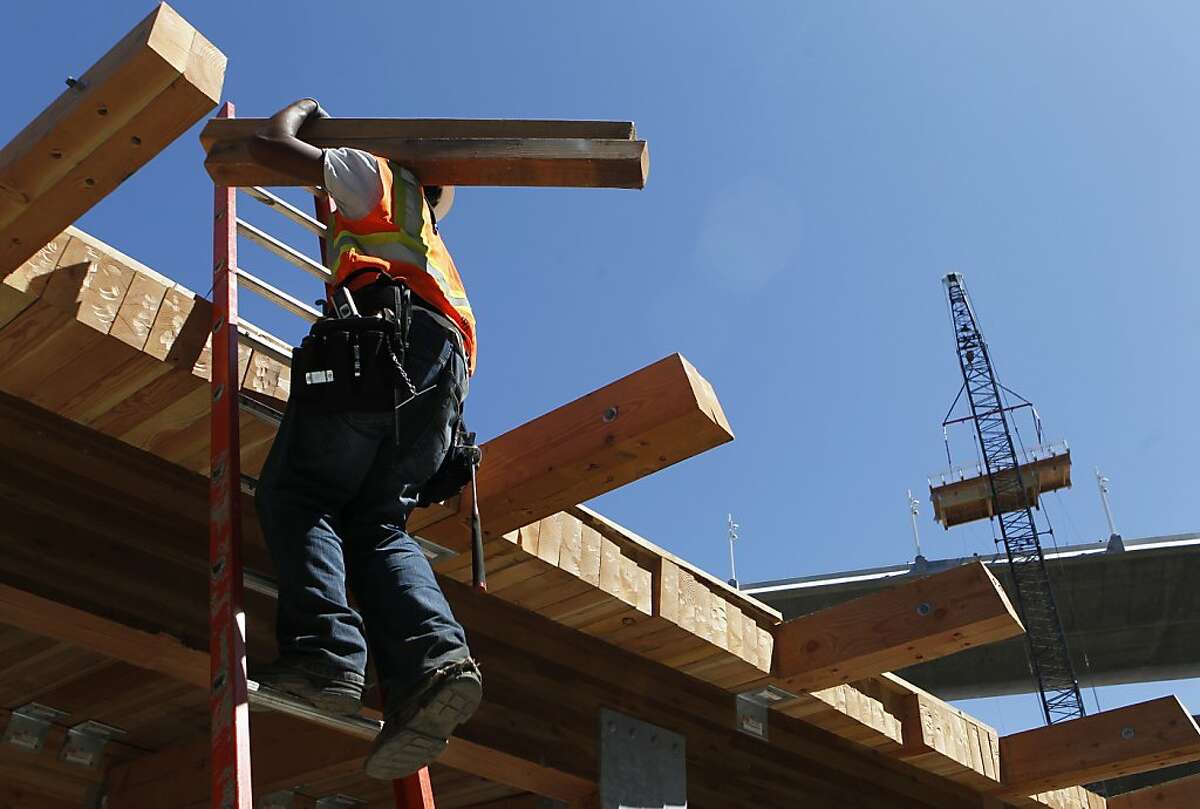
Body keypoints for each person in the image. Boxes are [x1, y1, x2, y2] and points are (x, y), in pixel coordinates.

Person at [247, 98, 481, 780]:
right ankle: (431, 665)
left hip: (387, 344)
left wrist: (299, 113)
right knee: (378, 522)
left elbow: (268, 147)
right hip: (442, 380)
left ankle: (324, 653)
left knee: (300, 494)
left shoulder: (374, 175)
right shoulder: (436, 248)